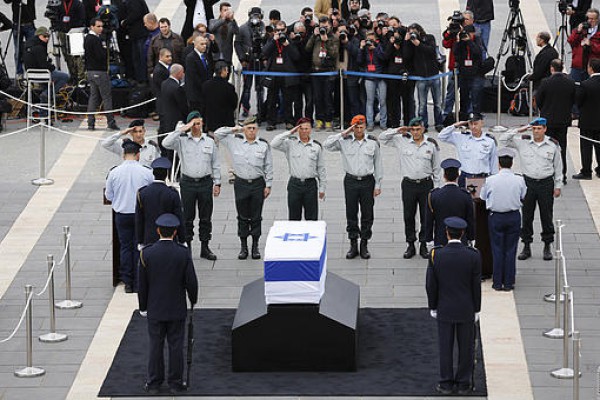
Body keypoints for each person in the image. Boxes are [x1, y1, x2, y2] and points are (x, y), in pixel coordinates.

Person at [138, 213, 198, 395]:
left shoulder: (146, 253)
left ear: (158, 231)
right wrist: (193, 300)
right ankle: (175, 383)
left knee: (155, 346)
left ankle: (154, 383)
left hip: (155, 307)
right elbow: (191, 282)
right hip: (176, 307)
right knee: (176, 346)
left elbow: (142, 284)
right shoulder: (182, 253)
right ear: (175, 232)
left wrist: (143, 307)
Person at [426, 216, 481, 396]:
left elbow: (431, 284)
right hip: (466, 308)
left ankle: (446, 383)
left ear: (446, 233)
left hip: (445, 307)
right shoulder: (473, 255)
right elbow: (476, 285)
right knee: (466, 348)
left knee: (445, 347)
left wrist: (433, 306)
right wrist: (477, 309)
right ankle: (464, 383)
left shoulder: (436, 255)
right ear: (463, 233)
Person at [438, 113, 497, 279]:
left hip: (482, 178)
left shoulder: (489, 141)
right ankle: (463, 245)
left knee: (481, 216)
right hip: (466, 178)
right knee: (463, 212)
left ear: (482, 123)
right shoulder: (461, 137)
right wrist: (457, 124)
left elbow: (493, 165)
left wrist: (492, 184)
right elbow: (442, 136)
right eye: (470, 124)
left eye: (476, 123)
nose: (473, 127)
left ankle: (481, 251)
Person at [500, 117, 563, 261]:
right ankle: (526, 245)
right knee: (527, 216)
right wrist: (520, 129)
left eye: (539, 129)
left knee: (546, 215)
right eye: (534, 129)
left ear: (545, 129)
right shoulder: (523, 142)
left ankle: (547, 245)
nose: (536, 131)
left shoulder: (552, 145)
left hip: (546, 183)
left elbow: (558, 167)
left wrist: (558, 186)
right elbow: (503, 139)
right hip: (528, 183)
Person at [379, 117, 441, 259]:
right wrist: (398, 130)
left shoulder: (431, 144)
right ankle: (410, 244)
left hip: (426, 184)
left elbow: (437, 168)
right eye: (412, 129)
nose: (415, 132)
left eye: (418, 129)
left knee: (426, 216)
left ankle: (424, 243)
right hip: (409, 184)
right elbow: (382, 138)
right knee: (408, 215)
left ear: (423, 129)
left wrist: (437, 188)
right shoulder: (402, 140)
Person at [163, 111, 221, 260]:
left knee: (205, 217)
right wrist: (181, 129)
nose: (197, 126)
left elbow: (215, 163)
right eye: (194, 124)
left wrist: (218, 182)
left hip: (205, 182)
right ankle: (187, 246)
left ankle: (205, 247)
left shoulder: (209, 141)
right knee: (187, 217)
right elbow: (166, 143)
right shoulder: (182, 140)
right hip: (188, 183)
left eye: (198, 123)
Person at [324, 114, 382, 259]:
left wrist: (378, 184)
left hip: (367, 181)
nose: (359, 130)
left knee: (367, 213)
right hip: (351, 181)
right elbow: (327, 145)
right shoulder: (344, 141)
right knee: (351, 213)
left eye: (361, 127)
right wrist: (343, 133)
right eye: (356, 127)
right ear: (352, 127)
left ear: (365, 127)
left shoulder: (372, 142)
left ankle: (364, 243)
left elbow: (378, 164)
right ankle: (353, 243)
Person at [215, 117, 273, 260]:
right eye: (248, 128)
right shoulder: (234, 141)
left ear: (257, 129)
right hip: (241, 183)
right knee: (242, 216)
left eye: (254, 128)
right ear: (244, 129)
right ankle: (243, 246)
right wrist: (236, 129)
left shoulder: (263, 145)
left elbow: (269, 166)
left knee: (256, 216)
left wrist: (268, 185)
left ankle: (255, 246)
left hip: (257, 183)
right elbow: (217, 134)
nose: (251, 131)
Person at [105, 141, 154, 293]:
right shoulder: (146, 172)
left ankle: (127, 281)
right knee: (139, 246)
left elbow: (109, 195)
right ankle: (139, 280)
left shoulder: (114, 172)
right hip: (140, 214)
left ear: (123, 155)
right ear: (138, 155)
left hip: (122, 215)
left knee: (125, 247)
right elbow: (151, 192)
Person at [480, 148, 527, 291]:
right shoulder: (519, 179)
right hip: (513, 216)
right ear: (511, 163)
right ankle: (508, 282)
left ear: (499, 164)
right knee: (511, 250)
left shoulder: (490, 180)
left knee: (497, 249)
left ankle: (497, 282)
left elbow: (482, 197)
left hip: (496, 217)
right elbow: (523, 196)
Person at [272, 118, 327, 221]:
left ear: (310, 129)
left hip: (310, 185)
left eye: (307, 128)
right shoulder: (290, 144)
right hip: (295, 184)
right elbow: (274, 143)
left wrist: (322, 188)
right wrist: (290, 132)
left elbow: (321, 168)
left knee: (311, 219)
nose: (304, 131)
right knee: (294, 218)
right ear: (297, 129)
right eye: (301, 129)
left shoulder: (316, 146)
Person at [536, 59, 576, 184]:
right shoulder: (570, 82)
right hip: (563, 120)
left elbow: (538, 99)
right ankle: (562, 174)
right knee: (561, 147)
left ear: (552, 68)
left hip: (548, 120)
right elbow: (573, 100)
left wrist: (544, 110)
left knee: (547, 147)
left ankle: (548, 174)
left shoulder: (545, 82)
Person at [135, 157, 186, 246]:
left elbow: (139, 219)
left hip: (149, 238)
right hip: (169, 237)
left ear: (153, 173)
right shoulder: (172, 194)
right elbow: (179, 217)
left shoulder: (142, 193)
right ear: (166, 175)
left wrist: (140, 240)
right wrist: (182, 239)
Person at [425, 158, 475, 247]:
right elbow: (470, 219)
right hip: (461, 239)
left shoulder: (434, 195)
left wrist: (429, 239)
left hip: (440, 240)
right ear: (458, 175)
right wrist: (471, 238)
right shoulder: (466, 195)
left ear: (444, 176)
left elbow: (429, 220)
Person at [262, 20, 301, 131]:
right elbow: (264, 53)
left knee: (288, 100)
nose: (280, 32)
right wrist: (273, 41)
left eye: (282, 30)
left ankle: (289, 121)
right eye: (277, 30)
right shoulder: (271, 40)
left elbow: (296, 57)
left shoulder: (289, 40)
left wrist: (287, 45)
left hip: (286, 75)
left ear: (286, 29)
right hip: (273, 74)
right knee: (271, 99)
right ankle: (271, 122)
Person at [406, 23, 443, 132]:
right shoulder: (410, 44)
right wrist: (407, 42)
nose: (413, 34)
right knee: (422, 104)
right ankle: (423, 124)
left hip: (434, 75)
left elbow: (431, 51)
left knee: (437, 103)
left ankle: (439, 123)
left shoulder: (429, 38)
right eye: (411, 33)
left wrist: (419, 43)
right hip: (421, 77)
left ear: (419, 30)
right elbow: (407, 56)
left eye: (414, 32)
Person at [84, 17, 119, 131]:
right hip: (99, 72)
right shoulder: (95, 39)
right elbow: (101, 56)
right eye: (98, 26)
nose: (101, 29)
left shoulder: (87, 38)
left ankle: (90, 123)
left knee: (93, 97)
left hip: (90, 72)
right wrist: (106, 49)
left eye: (102, 26)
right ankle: (111, 122)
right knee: (106, 97)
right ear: (92, 27)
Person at [306, 16, 340, 131]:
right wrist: (313, 36)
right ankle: (319, 120)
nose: (323, 29)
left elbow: (334, 54)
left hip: (329, 71)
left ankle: (328, 121)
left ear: (330, 26)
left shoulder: (334, 38)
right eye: (322, 26)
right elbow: (307, 49)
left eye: (326, 26)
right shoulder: (316, 37)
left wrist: (326, 41)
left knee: (327, 97)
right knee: (317, 97)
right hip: (316, 71)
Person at [23, 26, 70, 103]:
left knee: (49, 82)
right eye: (44, 36)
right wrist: (52, 67)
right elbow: (43, 65)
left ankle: (44, 104)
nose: (47, 38)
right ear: (39, 35)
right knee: (65, 77)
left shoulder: (27, 46)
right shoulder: (39, 47)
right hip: (42, 74)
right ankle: (47, 94)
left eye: (48, 36)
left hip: (30, 75)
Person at [235, 7, 266, 118]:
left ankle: (261, 109)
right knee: (247, 87)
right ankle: (245, 108)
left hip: (260, 61)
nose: (256, 18)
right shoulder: (242, 28)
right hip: (248, 61)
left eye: (258, 16)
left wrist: (264, 58)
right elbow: (237, 43)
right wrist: (242, 58)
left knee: (260, 87)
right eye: (254, 15)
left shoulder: (264, 28)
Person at [573, 58, 600, 180]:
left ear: (591, 68)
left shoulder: (585, 84)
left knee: (586, 147)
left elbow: (578, 101)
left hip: (587, 121)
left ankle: (586, 171)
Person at [453, 25, 485, 120]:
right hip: (464, 73)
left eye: (469, 33)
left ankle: (476, 115)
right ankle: (463, 115)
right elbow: (456, 53)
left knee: (476, 95)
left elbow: (478, 52)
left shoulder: (477, 40)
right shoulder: (461, 42)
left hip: (476, 73)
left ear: (473, 33)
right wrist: (459, 41)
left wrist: (469, 41)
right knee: (464, 95)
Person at [359, 30, 387, 131]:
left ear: (375, 38)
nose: (370, 41)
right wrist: (361, 48)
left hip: (380, 76)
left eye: (372, 39)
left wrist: (375, 49)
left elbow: (384, 58)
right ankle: (370, 123)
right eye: (368, 39)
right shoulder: (364, 48)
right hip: (369, 77)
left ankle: (383, 123)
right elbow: (359, 61)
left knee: (383, 101)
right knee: (370, 101)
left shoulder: (379, 46)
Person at [201, 61, 238, 132]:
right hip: (226, 122)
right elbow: (234, 103)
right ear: (223, 71)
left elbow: (203, 103)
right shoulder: (229, 87)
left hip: (211, 121)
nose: (227, 72)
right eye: (226, 70)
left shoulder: (205, 85)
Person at [567, 8, 600, 86]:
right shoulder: (581, 28)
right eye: (588, 18)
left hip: (593, 67)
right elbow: (571, 41)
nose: (590, 21)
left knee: (592, 89)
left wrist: (591, 44)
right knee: (575, 87)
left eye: (592, 19)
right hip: (578, 64)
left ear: (597, 19)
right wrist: (578, 31)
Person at [56, 0, 86, 83]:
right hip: (63, 32)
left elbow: (82, 19)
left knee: (77, 55)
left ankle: (80, 76)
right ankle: (72, 74)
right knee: (66, 54)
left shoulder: (78, 4)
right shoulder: (60, 3)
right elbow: (57, 17)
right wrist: (59, 27)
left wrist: (72, 27)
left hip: (75, 32)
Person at [5, 0, 36, 78]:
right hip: (17, 23)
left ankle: (32, 72)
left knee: (32, 49)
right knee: (18, 50)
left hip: (29, 22)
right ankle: (19, 73)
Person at [120, 0, 149, 83]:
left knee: (140, 58)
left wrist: (125, 22)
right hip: (137, 34)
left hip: (139, 33)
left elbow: (136, 13)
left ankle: (142, 79)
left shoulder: (134, 2)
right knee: (138, 58)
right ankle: (140, 78)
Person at [186, 35, 214, 115]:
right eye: (202, 44)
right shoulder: (191, 58)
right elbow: (194, 77)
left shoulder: (206, 56)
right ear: (196, 45)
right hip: (196, 94)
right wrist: (205, 86)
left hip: (205, 92)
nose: (204, 46)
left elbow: (209, 71)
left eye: (205, 44)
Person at [160, 64, 188, 137]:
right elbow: (183, 105)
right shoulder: (177, 88)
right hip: (176, 120)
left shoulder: (164, 83)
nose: (183, 74)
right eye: (182, 72)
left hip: (166, 117)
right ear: (179, 73)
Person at [151, 48, 172, 134]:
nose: (170, 58)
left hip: (166, 102)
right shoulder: (159, 70)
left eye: (170, 56)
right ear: (160, 57)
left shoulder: (166, 68)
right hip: (163, 103)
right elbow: (163, 87)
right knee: (164, 127)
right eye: (167, 56)